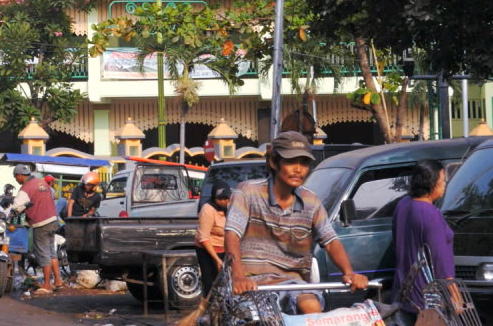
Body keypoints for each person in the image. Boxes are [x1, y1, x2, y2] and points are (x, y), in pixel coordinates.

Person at [225, 131, 368, 314]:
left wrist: (349, 272)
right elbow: (232, 234)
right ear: (273, 162)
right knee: (252, 316)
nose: (298, 169)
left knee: (311, 305)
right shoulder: (247, 193)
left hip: (294, 283)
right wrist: (238, 276)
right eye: (291, 161)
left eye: (304, 163)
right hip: (253, 283)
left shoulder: (311, 202)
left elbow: (331, 241)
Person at [391, 159, 454, 326]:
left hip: (404, 293)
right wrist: (453, 293)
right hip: (428, 299)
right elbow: (439, 260)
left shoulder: (403, 205)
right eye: (442, 180)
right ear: (431, 183)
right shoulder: (430, 213)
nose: (445, 184)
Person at [9, 164, 63, 294]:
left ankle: (47, 285)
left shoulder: (26, 188)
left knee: (43, 253)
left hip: (41, 223)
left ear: (20, 175)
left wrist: (9, 212)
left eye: (16, 177)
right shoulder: (42, 183)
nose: (16, 180)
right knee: (51, 252)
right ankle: (58, 280)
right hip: (53, 220)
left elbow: (17, 207)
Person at [194, 185, 231, 296]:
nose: (223, 202)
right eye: (220, 199)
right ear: (214, 198)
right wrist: (217, 260)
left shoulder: (230, 207)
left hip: (223, 248)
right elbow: (204, 238)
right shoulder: (208, 210)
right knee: (210, 282)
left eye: (226, 199)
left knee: (226, 282)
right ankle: (210, 308)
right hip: (207, 249)